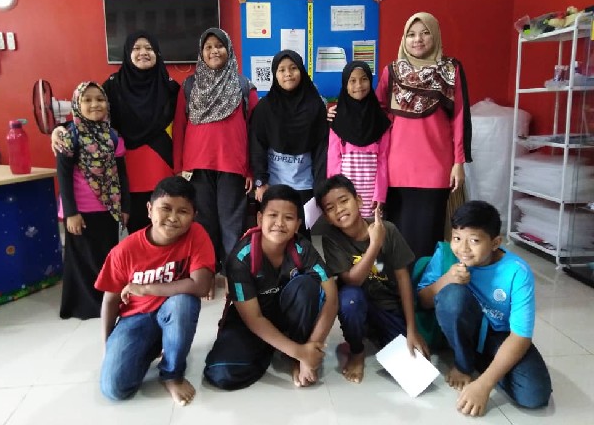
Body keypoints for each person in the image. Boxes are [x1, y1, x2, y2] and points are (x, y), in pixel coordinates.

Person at [417, 200, 552, 416]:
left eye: (474, 240)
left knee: (534, 395)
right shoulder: (445, 255)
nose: (463, 249)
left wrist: (484, 384)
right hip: (463, 326)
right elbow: (423, 301)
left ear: (495, 242)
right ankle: (463, 362)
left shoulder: (517, 271)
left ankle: (479, 358)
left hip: (499, 335)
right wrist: (447, 279)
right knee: (452, 296)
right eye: (457, 238)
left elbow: (520, 337)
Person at [95, 176, 215, 405]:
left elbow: (200, 286)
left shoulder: (196, 234)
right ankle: (155, 346)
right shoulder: (124, 250)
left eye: (183, 211)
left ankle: (172, 374)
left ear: (194, 216)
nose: (173, 218)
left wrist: (147, 288)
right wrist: (107, 345)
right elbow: (110, 301)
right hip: (135, 318)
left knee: (183, 302)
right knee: (114, 389)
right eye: (165, 208)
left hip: (172, 311)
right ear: (150, 209)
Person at [204, 184, 338, 390]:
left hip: (288, 316)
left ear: (297, 224)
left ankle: (291, 352)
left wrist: (311, 349)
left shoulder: (302, 248)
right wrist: (301, 353)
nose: (279, 223)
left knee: (306, 286)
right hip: (254, 317)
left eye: (288, 217)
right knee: (221, 373)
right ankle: (278, 347)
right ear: (260, 219)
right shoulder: (241, 258)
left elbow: (332, 296)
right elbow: (254, 318)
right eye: (273, 215)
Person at [53, 31, 179, 233]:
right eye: (136, 48)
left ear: (157, 53)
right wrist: (60, 129)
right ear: (127, 53)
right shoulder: (113, 86)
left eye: (149, 48)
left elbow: (185, 126)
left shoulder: (171, 88)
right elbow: (91, 117)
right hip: (125, 169)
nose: (143, 53)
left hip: (163, 167)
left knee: (166, 227)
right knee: (137, 231)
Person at [376, 12, 472, 262]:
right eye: (411, 34)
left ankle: (425, 284)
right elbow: (375, 112)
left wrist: (459, 162)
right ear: (404, 39)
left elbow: (460, 117)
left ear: (435, 35)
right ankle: (398, 285)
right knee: (396, 235)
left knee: (428, 237)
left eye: (425, 33)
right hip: (397, 168)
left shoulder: (450, 69)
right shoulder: (392, 71)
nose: (417, 39)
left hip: (435, 168)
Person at [314, 174, 428, 384]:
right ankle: (357, 351)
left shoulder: (388, 230)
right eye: (330, 208)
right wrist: (375, 244)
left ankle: (376, 331)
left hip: (387, 306)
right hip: (357, 301)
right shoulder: (332, 238)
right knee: (350, 299)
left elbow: (403, 279)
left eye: (344, 201)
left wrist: (412, 329)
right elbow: (352, 280)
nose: (339, 210)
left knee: (418, 373)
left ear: (358, 201)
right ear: (327, 217)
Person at [173, 28, 258, 299]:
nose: (214, 51)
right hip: (196, 167)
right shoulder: (189, 86)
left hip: (233, 166)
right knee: (204, 224)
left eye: (219, 45)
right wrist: (178, 168)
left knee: (233, 226)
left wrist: (251, 169)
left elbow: (254, 132)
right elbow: (179, 128)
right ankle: (206, 275)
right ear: (201, 52)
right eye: (208, 46)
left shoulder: (244, 86)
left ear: (229, 49)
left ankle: (234, 276)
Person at [57, 81, 130, 320]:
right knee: (82, 259)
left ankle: (105, 302)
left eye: (99, 99)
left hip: (108, 208)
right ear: (77, 105)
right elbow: (64, 176)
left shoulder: (113, 136)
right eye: (87, 100)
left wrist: (125, 206)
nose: (94, 104)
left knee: (104, 256)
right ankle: (83, 306)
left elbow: (121, 174)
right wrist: (71, 213)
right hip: (80, 211)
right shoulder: (69, 136)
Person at [249, 49, 328, 237]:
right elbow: (257, 145)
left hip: (304, 185)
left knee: (301, 235)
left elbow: (321, 149)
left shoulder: (316, 106)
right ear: (275, 74)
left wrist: (320, 186)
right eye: (282, 70)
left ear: (301, 71)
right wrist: (260, 181)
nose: (288, 74)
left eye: (293, 68)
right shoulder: (265, 107)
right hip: (273, 184)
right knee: (274, 234)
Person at [327, 61, 391, 218]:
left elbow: (383, 160)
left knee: (370, 229)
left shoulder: (381, 120)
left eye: (364, 79)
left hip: (371, 195)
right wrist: (334, 192)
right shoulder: (336, 119)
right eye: (352, 81)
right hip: (344, 192)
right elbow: (333, 161)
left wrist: (380, 195)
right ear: (345, 84)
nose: (359, 85)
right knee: (346, 225)